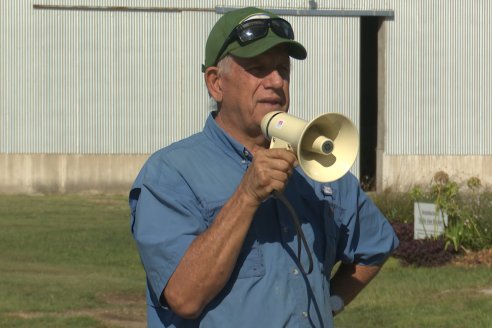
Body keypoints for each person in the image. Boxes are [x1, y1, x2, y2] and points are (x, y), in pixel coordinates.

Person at [129, 7, 399, 328]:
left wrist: (331, 303)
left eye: (282, 69)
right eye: (257, 68)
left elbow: (375, 246)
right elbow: (184, 298)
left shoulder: (316, 162)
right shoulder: (170, 173)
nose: (275, 81)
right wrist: (247, 195)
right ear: (216, 84)